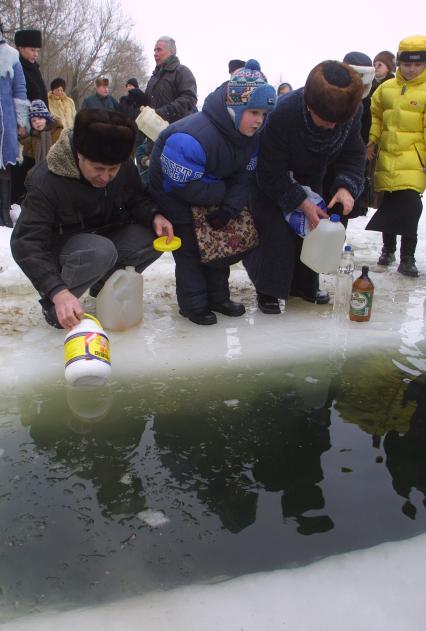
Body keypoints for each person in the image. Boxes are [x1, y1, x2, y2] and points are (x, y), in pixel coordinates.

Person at [10, 109, 174, 330]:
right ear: (79, 155)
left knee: (152, 238)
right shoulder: (46, 180)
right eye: (98, 169)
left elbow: (137, 197)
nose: (106, 177)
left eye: (112, 169)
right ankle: (58, 306)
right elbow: (26, 242)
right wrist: (57, 292)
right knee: (100, 251)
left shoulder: (123, 166)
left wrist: (155, 215)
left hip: (104, 235)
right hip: (65, 248)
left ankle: (102, 285)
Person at [149, 59, 276, 325]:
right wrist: (221, 191)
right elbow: (183, 185)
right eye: (253, 112)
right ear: (236, 107)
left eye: (263, 115)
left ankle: (218, 297)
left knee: (219, 245)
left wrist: (229, 209)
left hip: (211, 189)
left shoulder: (251, 139)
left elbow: (245, 176)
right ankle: (193, 304)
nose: (259, 121)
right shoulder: (192, 136)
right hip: (174, 194)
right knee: (191, 251)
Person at [243, 60, 365, 314]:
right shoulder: (282, 114)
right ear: (310, 106)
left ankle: (303, 286)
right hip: (274, 179)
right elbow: (269, 171)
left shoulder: (352, 113)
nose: (332, 127)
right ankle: (268, 289)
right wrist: (301, 201)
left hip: (315, 177)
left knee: (314, 230)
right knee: (276, 233)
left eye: (338, 122)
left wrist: (345, 187)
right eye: (326, 120)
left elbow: (353, 154)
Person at [366, 35, 426, 277]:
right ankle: (388, 249)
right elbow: (376, 116)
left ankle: (407, 257)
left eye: (417, 64)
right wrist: (371, 141)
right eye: (407, 64)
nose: (412, 69)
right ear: (399, 63)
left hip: (413, 158)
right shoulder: (385, 88)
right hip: (386, 156)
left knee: (410, 205)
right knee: (388, 204)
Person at [0, 23, 29, 227]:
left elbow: (19, 89)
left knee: (5, 165)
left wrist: (21, 121)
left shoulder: (10, 55)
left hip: (5, 119)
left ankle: (3, 211)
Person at [144, 36, 197, 123]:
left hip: (174, 129)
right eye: (154, 50)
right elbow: (149, 103)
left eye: (159, 50)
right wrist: (139, 98)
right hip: (152, 130)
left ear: (171, 52)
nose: (155, 53)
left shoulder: (182, 72)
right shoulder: (154, 77)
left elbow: (189, 98)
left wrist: (163, 112)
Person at [20, 99, 63, 166]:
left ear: (46, 118)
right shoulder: (30, 138)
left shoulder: (58, 132)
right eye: (34, 121)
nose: (37, 122)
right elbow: (27, 161)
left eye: (40, 118)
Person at [14, 29, 48, 104]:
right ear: (21, 48)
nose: (36, 54)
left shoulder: (35, 69)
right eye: (32, 50)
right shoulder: (15, 68)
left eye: (37, 51)